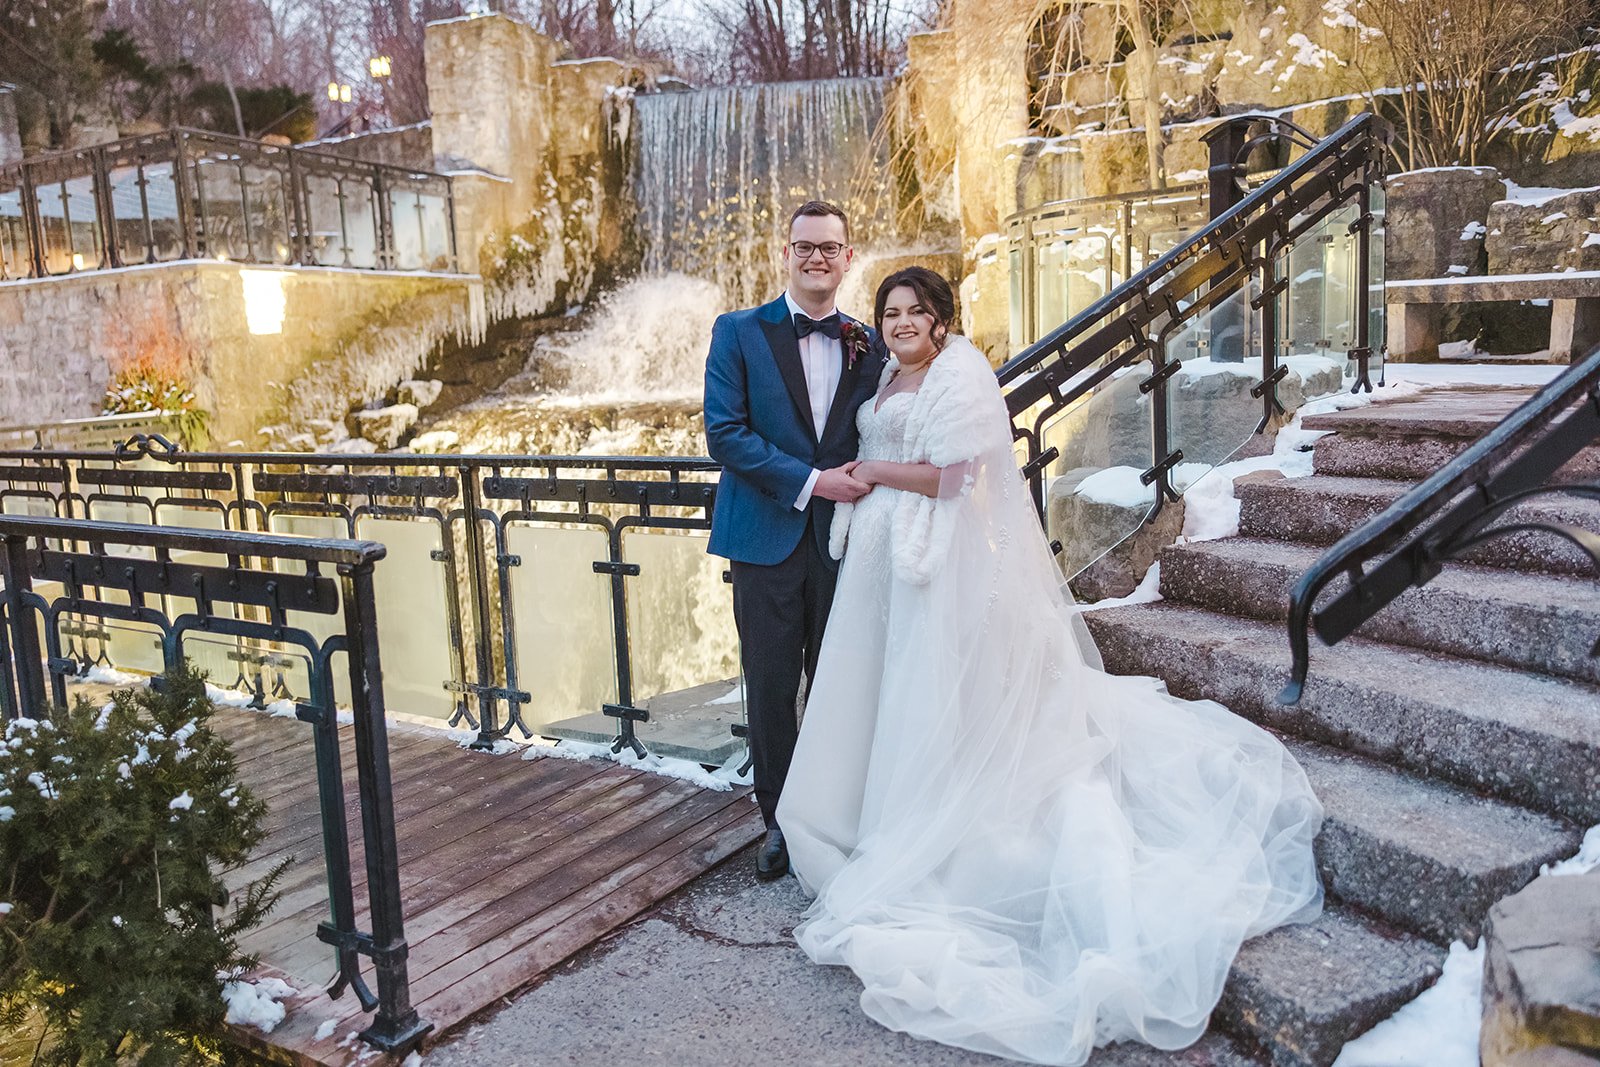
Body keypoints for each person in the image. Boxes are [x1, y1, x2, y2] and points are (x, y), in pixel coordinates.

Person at [776, 267, 1325, 1066]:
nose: (899, 322)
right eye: (890, 311)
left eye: (914, 312)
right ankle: (872, 818)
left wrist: (873, 475)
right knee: (882, 692)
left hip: (933, 562)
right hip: (882, 567)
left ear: (940, 321)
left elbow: (959, 477)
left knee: (929, 694)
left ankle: (928, 831)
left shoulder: (960, 374)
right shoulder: (888, 374)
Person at [703, 200, 889, 881]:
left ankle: (837, 815)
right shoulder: (737, 332)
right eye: (804, 246)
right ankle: (780, 822)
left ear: (847, 257)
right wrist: (813, 481)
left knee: (841, 682)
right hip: (764, 538)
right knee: (774, 687)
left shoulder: (870, 341)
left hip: (846, 542)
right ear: (785, 254)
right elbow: (724, 434)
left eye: (830, 247)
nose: (817, 257)